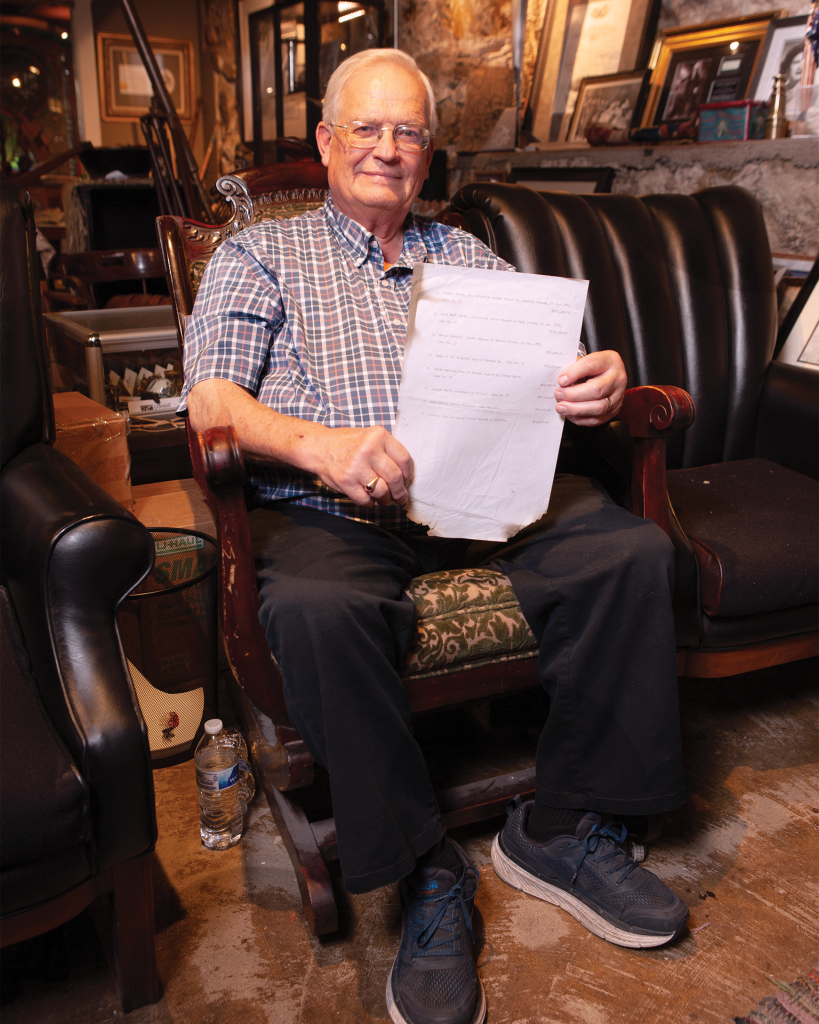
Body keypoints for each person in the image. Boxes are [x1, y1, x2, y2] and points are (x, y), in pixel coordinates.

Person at [182, 48, 688, 1024]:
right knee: (320, 609)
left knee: (632, 552)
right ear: (326, 142)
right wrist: (319, 447)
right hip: (337, 512)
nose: (387, 148)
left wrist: (600, 383)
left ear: (427, 153)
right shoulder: (260, 254)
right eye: (365, 128)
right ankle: (425, 871)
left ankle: (563, 824)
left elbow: (555, 374)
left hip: (484, 501)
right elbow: (211, 400)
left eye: (407, 131)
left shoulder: (468, 255)